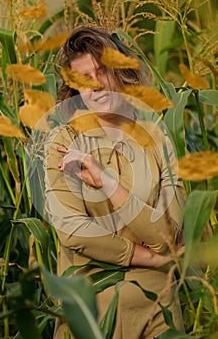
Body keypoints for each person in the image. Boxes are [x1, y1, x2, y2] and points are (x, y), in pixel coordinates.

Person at [44, 26, 187, 339]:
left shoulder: (158, 134)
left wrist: (108, 184)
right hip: (91, 317)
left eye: (101, 71)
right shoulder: (63, 141)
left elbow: (168, 231)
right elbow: (74, 232)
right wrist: (153, 257)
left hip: (159, 314)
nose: (95, 85)